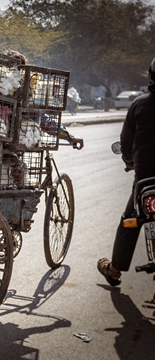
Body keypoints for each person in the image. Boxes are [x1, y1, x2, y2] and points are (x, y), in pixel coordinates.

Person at [97, 57, 155, 286]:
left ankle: (114, 270)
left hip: (146, 177)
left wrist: (130, 161)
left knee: (130, 220)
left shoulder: (139, 105)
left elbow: (126, 142)